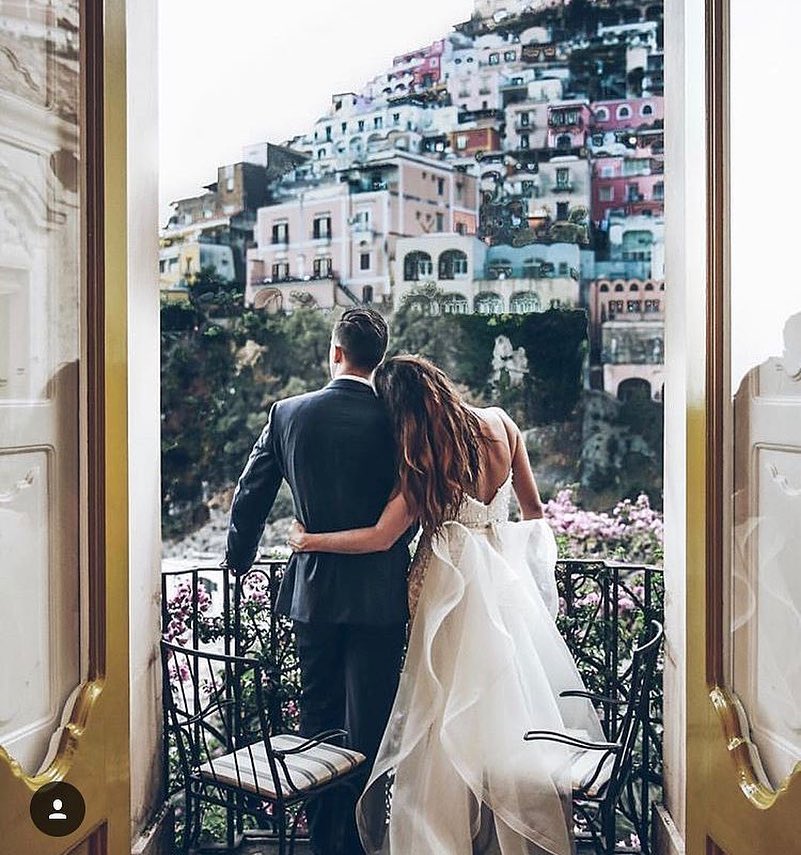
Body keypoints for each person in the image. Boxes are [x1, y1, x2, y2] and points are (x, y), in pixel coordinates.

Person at [289, 355, 604, 855]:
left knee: (441, 712)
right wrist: (536, 584)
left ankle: (446, 836)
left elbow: (379, 538)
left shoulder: (429, 460)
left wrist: (310, 542)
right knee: (503, 707)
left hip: (447, 590)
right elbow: (535, 515)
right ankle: (500, 834)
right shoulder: (502, 423)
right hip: (502, 585)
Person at [225, 309, 411, 855]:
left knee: (318, 719)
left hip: (315, 591)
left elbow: (251, 495)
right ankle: (363, 842)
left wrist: (239, 563)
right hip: (381, 594)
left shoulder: (289, 414)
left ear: (335, 353)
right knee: (370, 723)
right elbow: (417, 503)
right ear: (377, 358)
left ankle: (325, 842)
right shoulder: (399, 418)